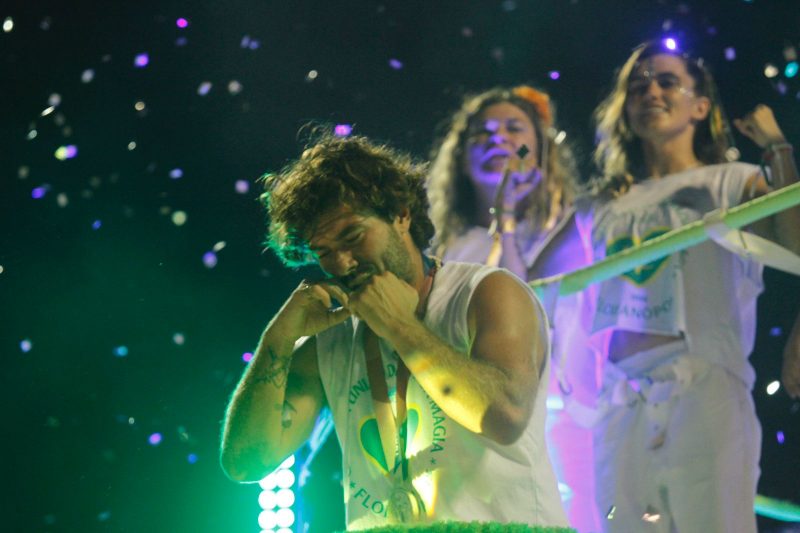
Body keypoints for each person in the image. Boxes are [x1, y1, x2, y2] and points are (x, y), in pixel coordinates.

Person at [219, 133, 569, 530]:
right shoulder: (331, 337)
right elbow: (246, 461)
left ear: (401, 214)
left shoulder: (488, 291)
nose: (343, 262)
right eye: (324, 253)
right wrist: (276, 342)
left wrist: (399, 325)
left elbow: (505, 418)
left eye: (352, 237)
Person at [582, 39, 800, 532]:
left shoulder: (732, 181)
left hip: (704, 393)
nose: (650, 91)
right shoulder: (602, 205)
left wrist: (777, 148)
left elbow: (797, 241)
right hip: (620, 402)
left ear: (701, 106)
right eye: (637, 85)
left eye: (666, 81)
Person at [427, 86, 600, 532]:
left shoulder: (571, 226)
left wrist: (506, 216)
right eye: (480, 134)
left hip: (554, 419)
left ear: (540, 149)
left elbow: (524, 305)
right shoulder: (447, 243)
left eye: (512, 129)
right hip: (467, 419)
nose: (496, 140)